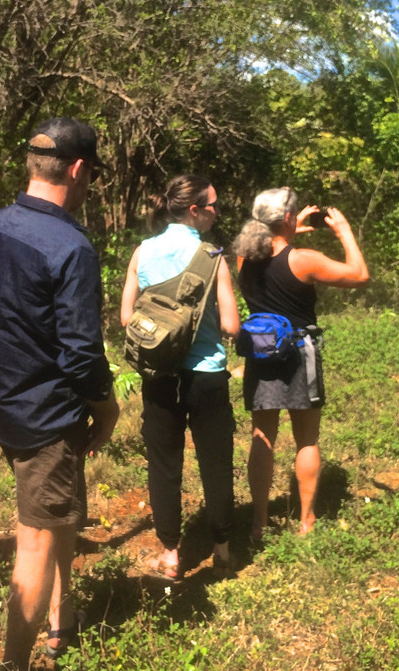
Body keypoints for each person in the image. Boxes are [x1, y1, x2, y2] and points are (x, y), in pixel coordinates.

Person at [0, 117, 119, 670]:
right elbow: (80, 351)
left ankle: (62, 612)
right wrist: (107, 404)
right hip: (47, 418)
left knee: (55, 519)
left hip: (0, 409)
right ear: (78, 170)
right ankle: (15, 663)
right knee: (34, 540)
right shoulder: (71, 247)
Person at [119, 175, 239, 579]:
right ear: (195, 210)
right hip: (206, 375)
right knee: (216, 461)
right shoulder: (212, 256)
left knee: (163, 463)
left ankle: (171, 553)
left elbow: (125, 317)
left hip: (159, 374)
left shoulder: (143, 251)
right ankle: (222, 548)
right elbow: (232, 324)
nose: (217, 213)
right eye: (213, 206)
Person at [234, 187, 368, 542]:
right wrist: (344, 232)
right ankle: (306, 521)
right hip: (298, 353)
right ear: (290, 218)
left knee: (262, 436)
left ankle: (259, 522)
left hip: (260, 351)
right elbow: (359, 275)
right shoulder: (304, 259)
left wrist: (289, 232)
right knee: (306, 439)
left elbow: (270, 250)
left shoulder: (244, 257)